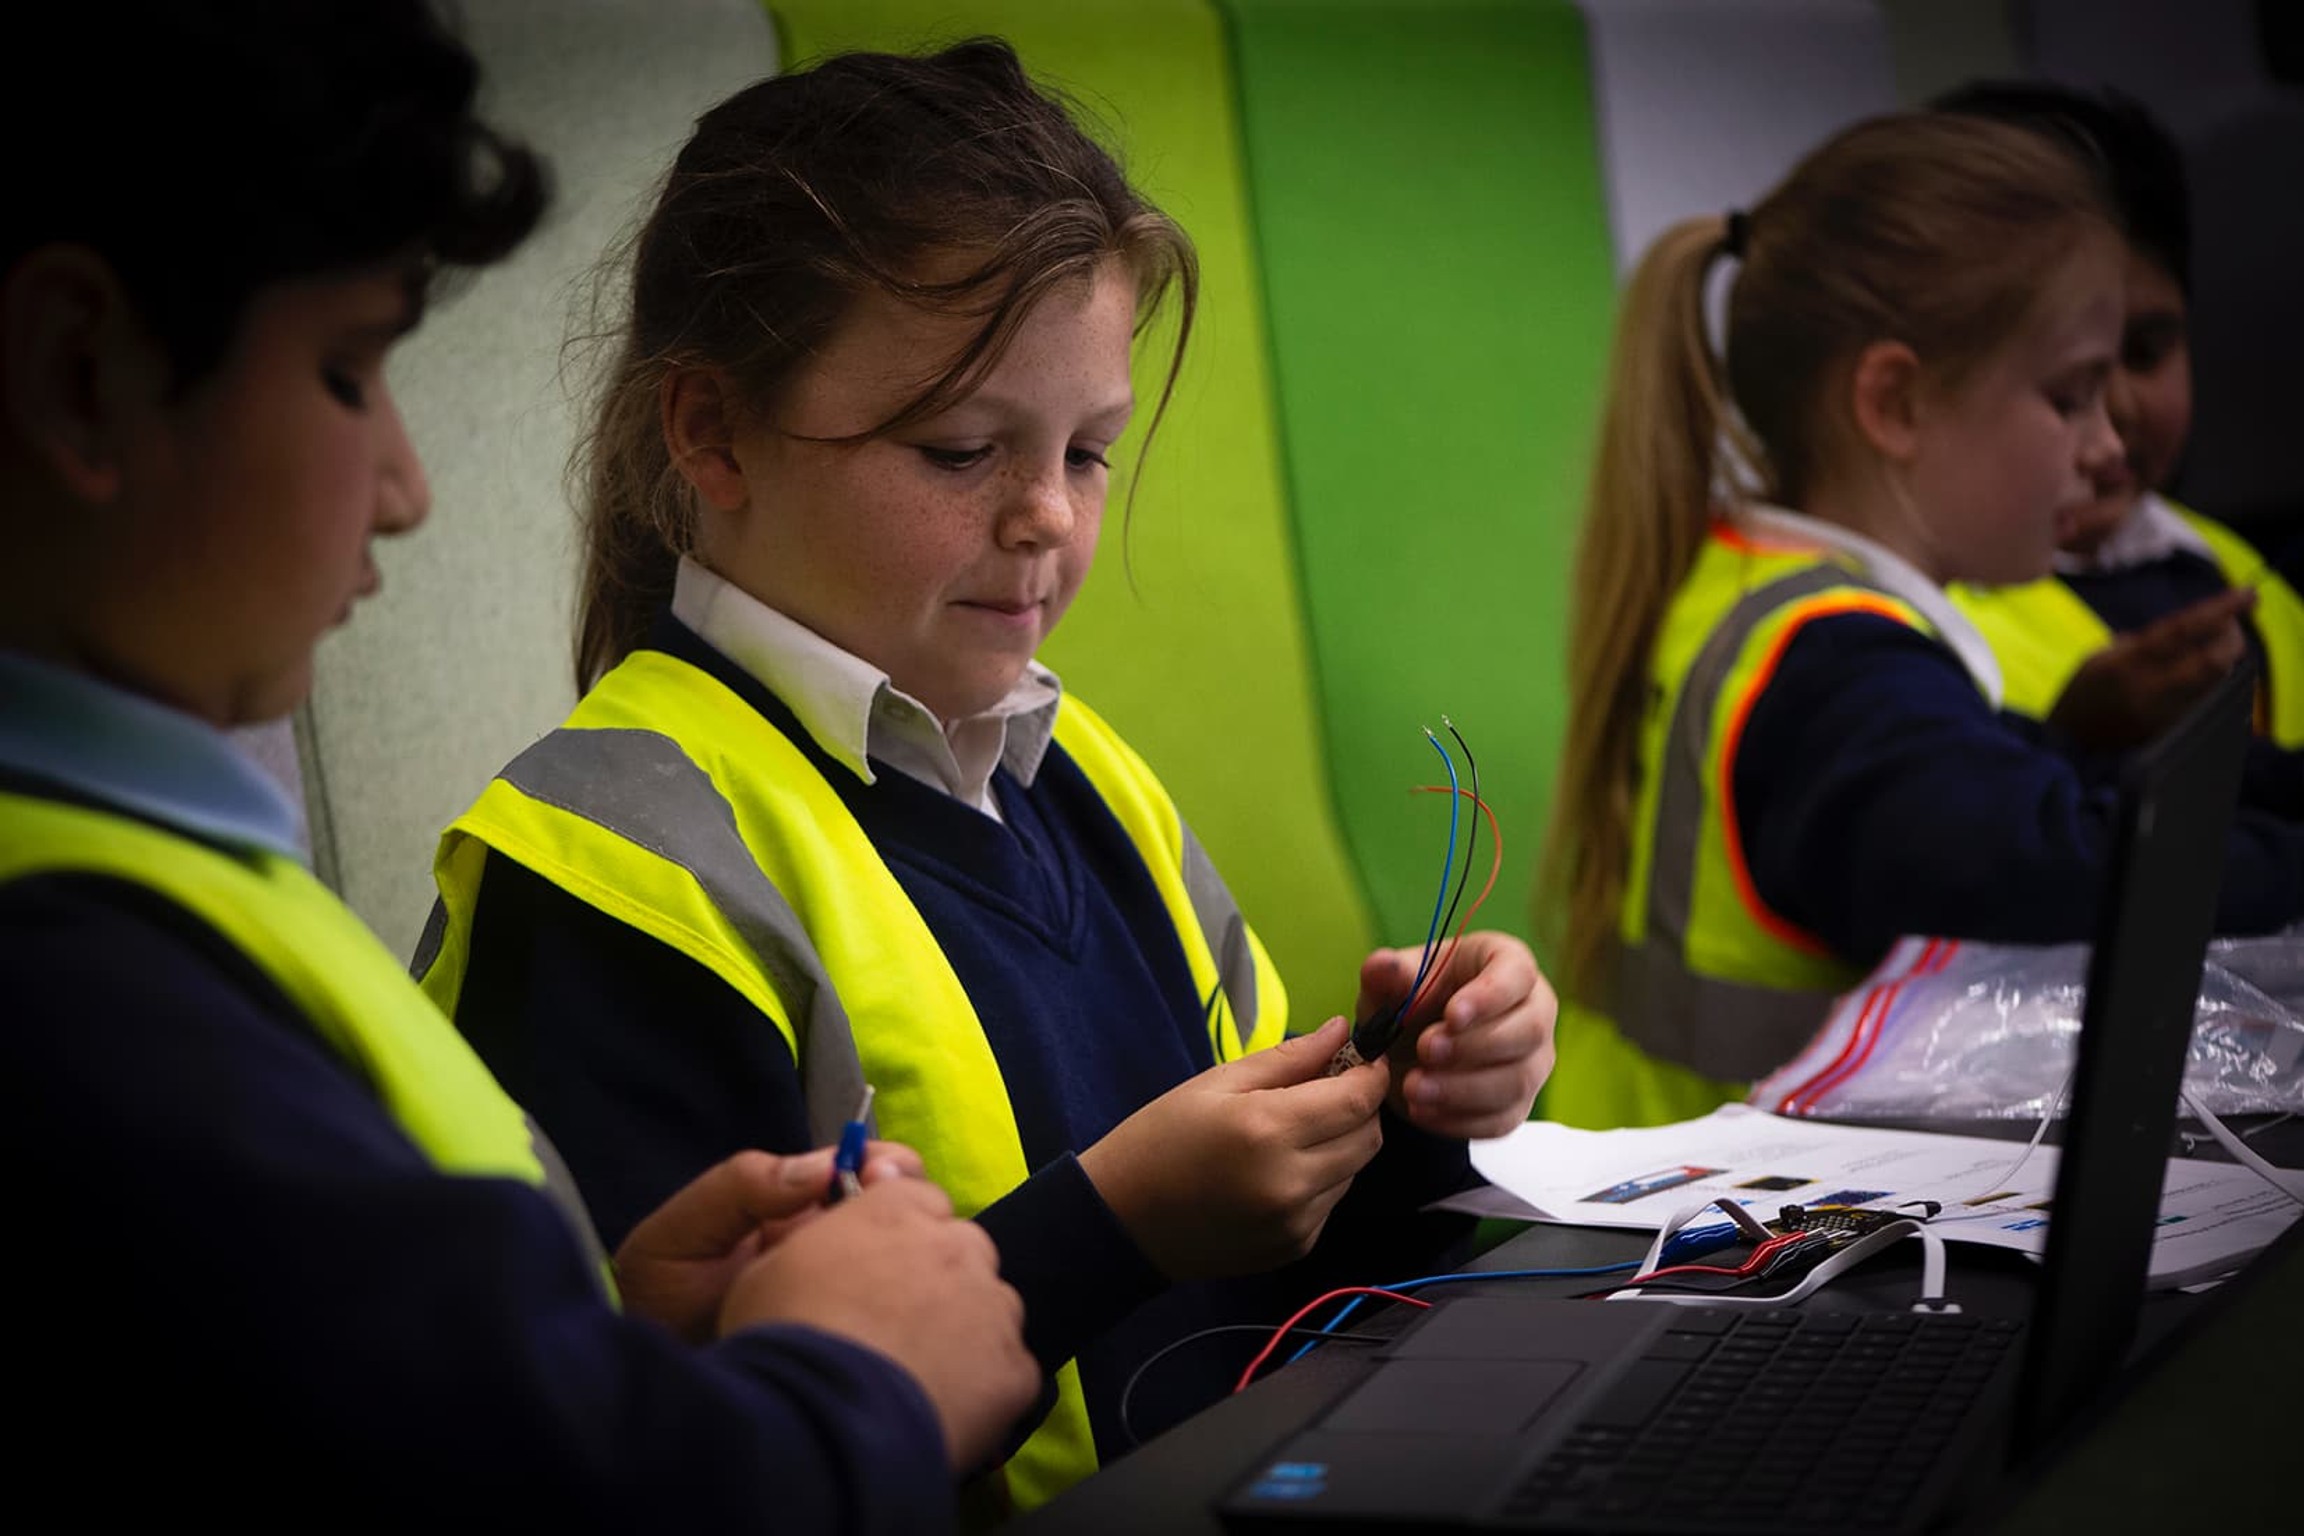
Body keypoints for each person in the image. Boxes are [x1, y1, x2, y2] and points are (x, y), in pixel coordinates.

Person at [414, 38, 1556, 1509]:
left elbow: (1282, 1293)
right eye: (960, 449)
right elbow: (665, 1464)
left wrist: (1408, 1121)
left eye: (1086, 453)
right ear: (712, 433)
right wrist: (1120, 1224)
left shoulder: (1089, 774)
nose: (1045, 521)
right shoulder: (608, 870)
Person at [0, 2, 1037, 1526]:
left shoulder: (147, 894)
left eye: (1088, 451)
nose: (408, 488)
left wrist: (615, 1352)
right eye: (351, 372)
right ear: (80, 375)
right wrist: (838, 1401)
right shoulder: (71, 986)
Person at [1535, 111, 2304, 1132]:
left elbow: (2029, 779)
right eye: (2069, 396)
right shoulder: (1836, 668)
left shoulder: (1764, 588)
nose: (2102, 441)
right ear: (1895, 402)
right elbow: (2055, 869)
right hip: (1707, 1247)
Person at [1934, 80, 2304, 753]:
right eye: (2067, 378)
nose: (2116, 416)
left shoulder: (2233, 566)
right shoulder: (1908, 626)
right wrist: (2073, 745)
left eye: (2144, 352)